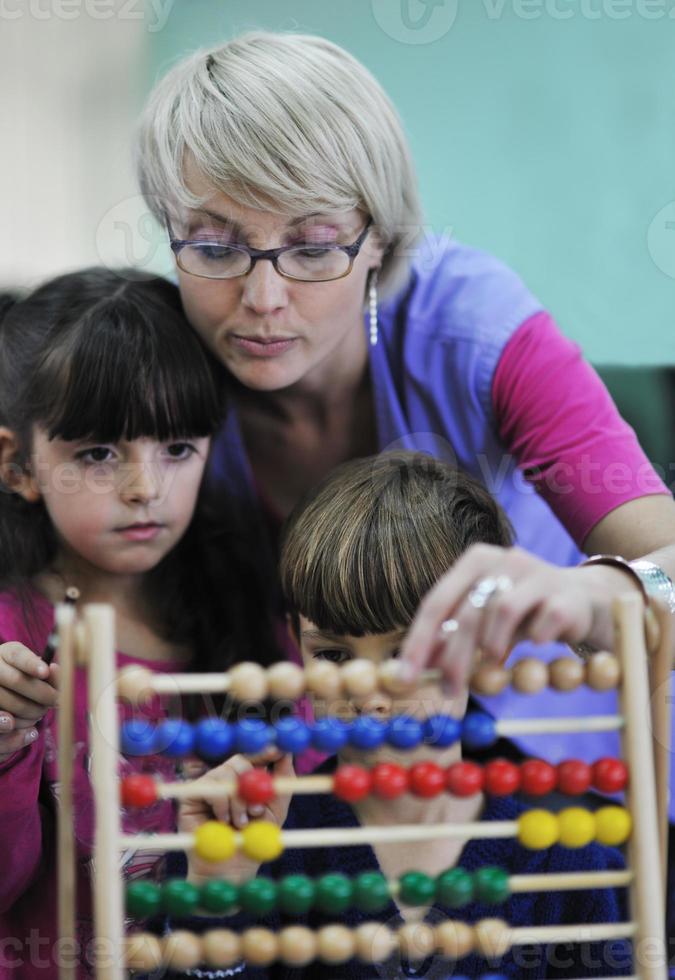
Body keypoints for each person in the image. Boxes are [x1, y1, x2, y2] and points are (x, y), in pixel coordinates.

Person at [133, 29, 675, 779]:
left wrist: (596, 592)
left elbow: (670, 565)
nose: (261, 300)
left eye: (314, 247)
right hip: (318, 791)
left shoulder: (475, 326)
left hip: (568, 778)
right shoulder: (149, 365)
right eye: (216, 247)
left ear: (381, 241)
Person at [174, 453, 632, 979]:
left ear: (488, 650)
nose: (369, 696)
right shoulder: (258, 851)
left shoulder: (562, 865)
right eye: (333, 654)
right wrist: (219, 899)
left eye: (407, 654)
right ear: (296, 640)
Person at [0, 269, 275, 979]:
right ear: (19, 466)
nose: (146, 488)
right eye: (98, 453)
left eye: (177, 448)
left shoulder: (255, 631)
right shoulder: (7, 644)